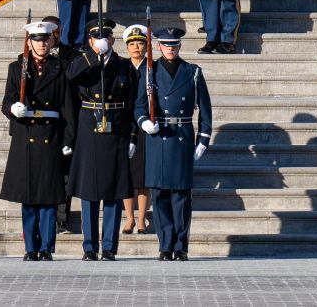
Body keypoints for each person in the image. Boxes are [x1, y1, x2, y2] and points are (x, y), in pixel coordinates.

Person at [135, 27, 211, 261]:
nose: (170, 48)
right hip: (159, 136)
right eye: (166, 45)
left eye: (174, 45)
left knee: (181, 196)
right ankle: (165, 245)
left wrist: (204, 139)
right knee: (159, 195)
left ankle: (181, 245)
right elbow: (138, 105)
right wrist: (144, 122)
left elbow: (205, 109)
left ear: (179, 46)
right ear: (158, 46)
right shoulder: (150, 71)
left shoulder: (193, 71)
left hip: (182, 135)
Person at [65, 22, 135, 260]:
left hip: (116, 126)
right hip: (89, 126)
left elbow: (133, 102)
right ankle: (89, 246)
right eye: (97, 38)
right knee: (89, 191)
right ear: (90, 41)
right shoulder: (83, 63)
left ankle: (109, 247)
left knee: (114, 191)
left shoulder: (123, 65)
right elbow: (71, 76)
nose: (102, 41)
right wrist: (93, 56)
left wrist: (133, 134)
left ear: (113, 41)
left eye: (106, 37)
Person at [0, 20, 68, 261]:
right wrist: (12, 108)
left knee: (49, 198)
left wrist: (68, 138)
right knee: (28, 197)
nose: (41, 44)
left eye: (45, 40)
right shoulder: (16, 68)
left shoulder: (60, 68)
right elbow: (6, 101)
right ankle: (30, 247)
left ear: (51, 41)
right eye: (37, 40)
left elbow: (66, 106)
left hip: (50, 135)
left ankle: (47, 247)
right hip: (26, 135)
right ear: (29, 42)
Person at [122, 24, 151, 236]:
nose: (136, 47)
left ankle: (141, 218)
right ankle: (129, 217)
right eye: (132, 44)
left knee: (142, 175)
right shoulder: (121, 67)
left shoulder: (152, 68)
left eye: (140, 43)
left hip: (144, 126)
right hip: (124, 124)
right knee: (126, 176)